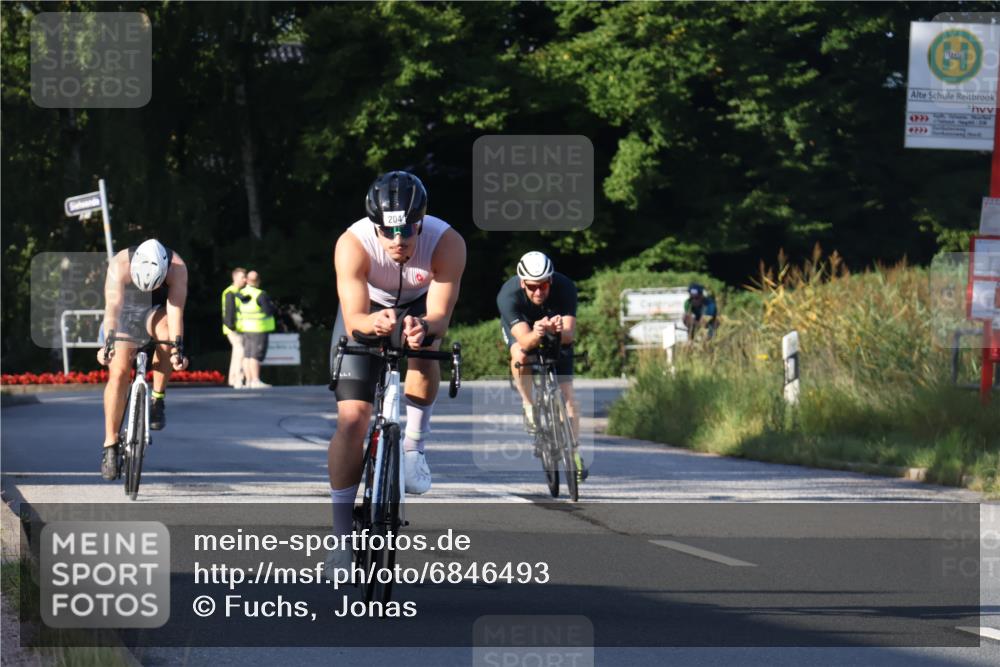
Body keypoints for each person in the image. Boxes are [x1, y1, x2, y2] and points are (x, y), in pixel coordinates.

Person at [325, 170, 466, 573]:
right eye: (389, 233)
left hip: (420, 308)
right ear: (375, 227)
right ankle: (341, 542)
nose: (399, 242)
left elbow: (439, 314)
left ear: (421, 221)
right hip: (368, 311)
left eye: (408, 231)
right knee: (352, 421)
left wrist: (425, 327)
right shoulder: (353, 244)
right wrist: (374, 325)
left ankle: (413, 449)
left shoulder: (447, 243)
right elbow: (354, 318)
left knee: (426, 345)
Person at [96, 239, 189, 480]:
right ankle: (110, 444)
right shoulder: (120, 264)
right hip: (124, 314)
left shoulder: (177, 266)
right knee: (118, 372)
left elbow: (176, 311)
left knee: (168, 337)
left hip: (155, 311)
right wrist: (108, 344)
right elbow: (113, 308)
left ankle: (158, 399)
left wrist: (177, 350)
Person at [496, 251, 586, 479]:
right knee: (520, 356)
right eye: (532, 286)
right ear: (522, 282)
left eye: (544, 285)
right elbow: (525, 342)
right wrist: (537, 332)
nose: (539, 291)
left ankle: (574, 452)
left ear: (551, 280)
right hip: (525, 331)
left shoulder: (565, 287)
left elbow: (569, 335)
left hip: (554, 332)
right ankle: (529, 405)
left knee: (569, 399)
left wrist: (555, 331)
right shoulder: (508, 295)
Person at [237, 270, 277, 389]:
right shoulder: (260, 294)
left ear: (247, 280)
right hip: (258, 328)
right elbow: (268, 311)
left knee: (247, 355)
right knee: (255, 355)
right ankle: (255, 380)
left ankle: (248, 380)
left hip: (245, 328)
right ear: (258, 281)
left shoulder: (240, 293)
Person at [221, 267, 247, 388]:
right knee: (240, 352)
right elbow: (229, 312)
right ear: (235, 278)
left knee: (237, 353)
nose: (245, 280)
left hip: (236, 328)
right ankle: (237, 379)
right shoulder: (231, 292)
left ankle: (233, 379)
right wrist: (232, 327)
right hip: (233, 328)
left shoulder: (235, 292)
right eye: (242, 277)